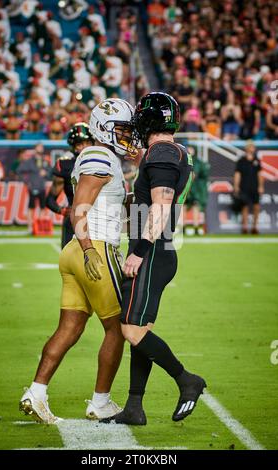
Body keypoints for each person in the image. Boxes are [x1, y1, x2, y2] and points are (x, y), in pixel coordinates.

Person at [19, 98, 138, 424]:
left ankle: (37, 391)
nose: (127, 136)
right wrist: (88, 249)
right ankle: (100, 402)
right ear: (103, 128)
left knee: (70, 327)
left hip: (76, 249)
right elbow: (80, 207)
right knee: (119, 329)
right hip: (93, 249)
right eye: (123, 130)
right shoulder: (100, 155)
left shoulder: (103, 158)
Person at [102, 92, 207, 426]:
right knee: (141, 330)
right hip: (160, 249)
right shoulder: (169, 151)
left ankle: (186, 380)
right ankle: (134, 407)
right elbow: (153, 199)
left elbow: (160, 206)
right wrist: (140, 168)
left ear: (149, 120)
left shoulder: (162, 151)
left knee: (131, 330)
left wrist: (139, 252)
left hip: (152, 250)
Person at [46, 123, 94, 248]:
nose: (84, 147)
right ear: (73, 147)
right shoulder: (65, 165)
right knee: (70, 263)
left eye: (87, 143)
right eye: (80, 144)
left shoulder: (103, 163)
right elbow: (50, 199)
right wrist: (62, 210)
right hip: (74, 219)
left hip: (96, 218)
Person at [17, 143, 51, 233]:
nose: (41, 148)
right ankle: (30, 227)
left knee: (42, 207)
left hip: (42, 187)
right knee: (31, 207)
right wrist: (27, 182)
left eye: (42, 147)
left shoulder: (45, 160)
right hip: (33, 187)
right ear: (35, 149)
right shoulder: (30, 161)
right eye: (39, 147)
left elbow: (50, 173)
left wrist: (46, 173)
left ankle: (39, 226)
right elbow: (19, 171)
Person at [233, 141, 264, 234]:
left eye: (253, 147)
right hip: (244, 187)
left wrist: (261, 186)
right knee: (245, 207)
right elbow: (237, 174)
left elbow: (260, 175)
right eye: (251, 146)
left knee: (256, 206)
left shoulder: (256, 160)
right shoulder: (241, 161)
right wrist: (236, 186)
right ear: (247, 148)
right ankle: (245, 227)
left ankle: (255, 227)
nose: (253, 148)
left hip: (254, 187)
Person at [184, 146, 210, 235]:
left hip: (194, 188)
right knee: (183, 206)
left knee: (195, 206)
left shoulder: (198, 162)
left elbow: (198, 174)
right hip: (185, 186)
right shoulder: (183, 160)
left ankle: (195, 227)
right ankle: (183, 227)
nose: (190, 151)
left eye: (192, 149)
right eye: (189, 149)